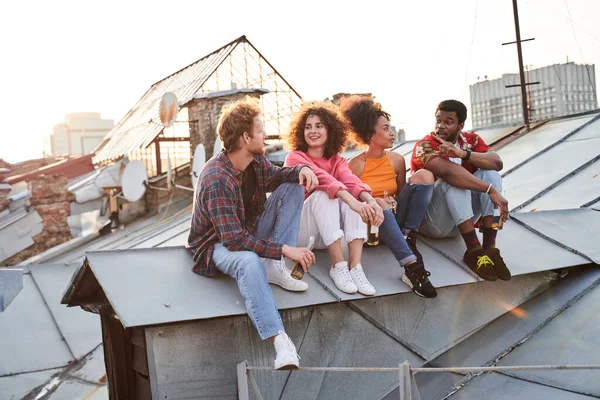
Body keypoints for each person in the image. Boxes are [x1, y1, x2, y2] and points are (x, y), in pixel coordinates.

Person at [186, 96, 319, 370]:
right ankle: (281, 342)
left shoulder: (256, 164)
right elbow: (233, 241)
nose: (265, 134)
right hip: (216, 245)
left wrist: (303, 168)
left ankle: (274, 268)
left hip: (247, 231)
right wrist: (286, 249)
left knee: (294, 184)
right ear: (246, 138)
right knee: (247, 261)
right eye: (260, 130)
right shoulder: (216, 178)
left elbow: (280, 175)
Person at [340, 95, 437, 298]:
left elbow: (403, 195)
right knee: (380, 202)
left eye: (390, 128)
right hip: (370, 227)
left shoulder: (397, 160)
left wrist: (394, 201)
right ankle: (412, 267)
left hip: (394, 221)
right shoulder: (355, 165)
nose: (391, 133)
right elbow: (350, 205)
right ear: (369, 135)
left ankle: (409, 236)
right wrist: (378, 203)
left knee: (425, 175)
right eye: (385, 129)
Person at [284, 101, 384, 296]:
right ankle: (338, 264)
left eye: (319, 126)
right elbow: (324, 180)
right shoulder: (294, 158)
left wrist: (370, 202)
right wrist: (354, 203)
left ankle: (355, 267)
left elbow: (351, 181)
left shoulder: (337, 160)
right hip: (302, 233)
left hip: (327, 234)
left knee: (355, 197)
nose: (313, 131)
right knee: (324, 193)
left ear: (330, 130)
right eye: (308, 127)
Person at [411, 99, 511, 281]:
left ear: (460, 125)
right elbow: (449, 172)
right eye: (438, 121)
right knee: (453, 181)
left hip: (460, 223)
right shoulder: (424, 145)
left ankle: (490, 248)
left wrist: (464, 154)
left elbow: (497, 163)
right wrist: (490, 191)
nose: (441, 126)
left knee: (491, 175)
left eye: (448, 122)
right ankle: (473, 249)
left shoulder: (471, 140)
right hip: (433, 223)